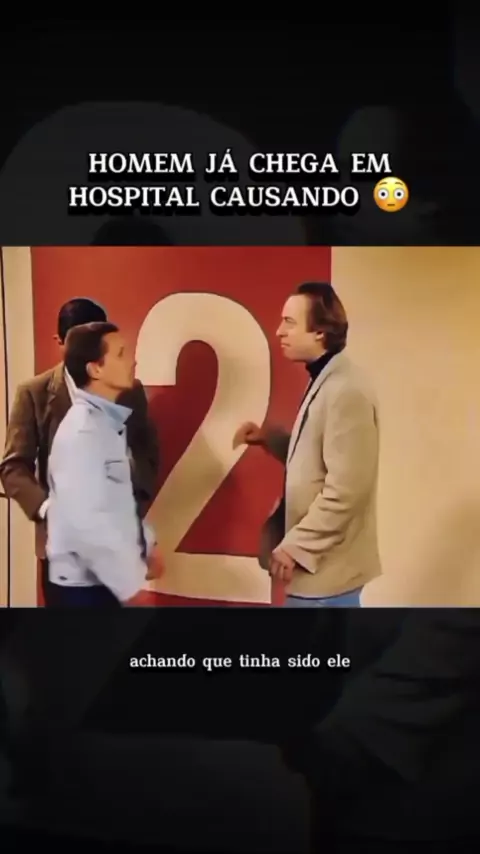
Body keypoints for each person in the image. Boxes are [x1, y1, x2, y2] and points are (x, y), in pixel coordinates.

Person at [0, 298, 160, 607]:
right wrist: (49, 511)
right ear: (59, 342)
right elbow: (13, 467)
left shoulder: (130, 391)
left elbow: (145, 452)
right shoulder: (33, 393)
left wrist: (135, 514)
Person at [234, 282, 381, 607]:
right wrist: (269, 439)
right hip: (320, 575)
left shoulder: (345, 390)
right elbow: (319, 457)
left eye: (289, 322)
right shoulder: (326, 379)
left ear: (320, 332)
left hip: (326, 579)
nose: (279, 331)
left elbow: (347, 490)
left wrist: (296, 546)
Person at [45, 321, 163, 606]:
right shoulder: (83, 432)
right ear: (95, 369)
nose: (132, 360)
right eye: (121, 354)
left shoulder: (106, 425)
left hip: (99, 584)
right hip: (85, 590)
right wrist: (129, 589)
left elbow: (115, 501)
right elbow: (87, 521)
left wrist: (147, 543)